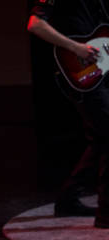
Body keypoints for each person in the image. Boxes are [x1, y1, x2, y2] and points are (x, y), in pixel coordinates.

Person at [27, 0, 109, 227]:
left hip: (100, 66)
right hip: (79, 65)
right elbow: (36, 25)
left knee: (100, 139)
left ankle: (68, 199)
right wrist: (76, 48)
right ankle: (106, 215)